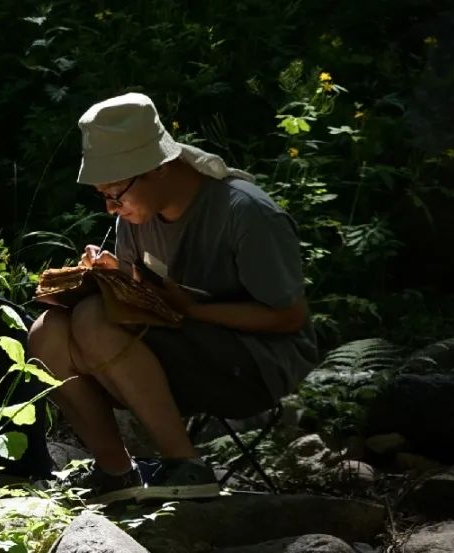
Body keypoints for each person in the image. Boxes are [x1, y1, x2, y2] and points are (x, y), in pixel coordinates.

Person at [28, 92, 317, 503]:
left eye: (116, 193)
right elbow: (151, 294)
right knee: (48, 331)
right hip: (177, 349)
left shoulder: (245, 212)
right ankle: (116, 472)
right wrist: (115, 278)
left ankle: (187, 465)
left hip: (255, 366)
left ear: (159, 168)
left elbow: (289, 317)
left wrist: (193, 310)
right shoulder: (136, 217)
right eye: (103, 195)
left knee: (93, 319)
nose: (111, 208)